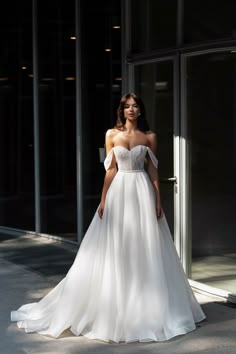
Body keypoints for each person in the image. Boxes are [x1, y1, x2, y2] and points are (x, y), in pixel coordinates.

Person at [11, 92, 206, 343]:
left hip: (141, 191)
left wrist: (158, 200)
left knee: (145, 246)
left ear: (140, 110)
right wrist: (103, 199)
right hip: (118, 193)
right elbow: (111, 170)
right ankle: (114, 304)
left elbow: (154, 170)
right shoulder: (111, 134)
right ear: (121, 110)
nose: (132, 110)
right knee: (115, 246)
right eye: (127, 107)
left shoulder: (149, 136)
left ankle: (148, 307)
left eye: (135, 106)